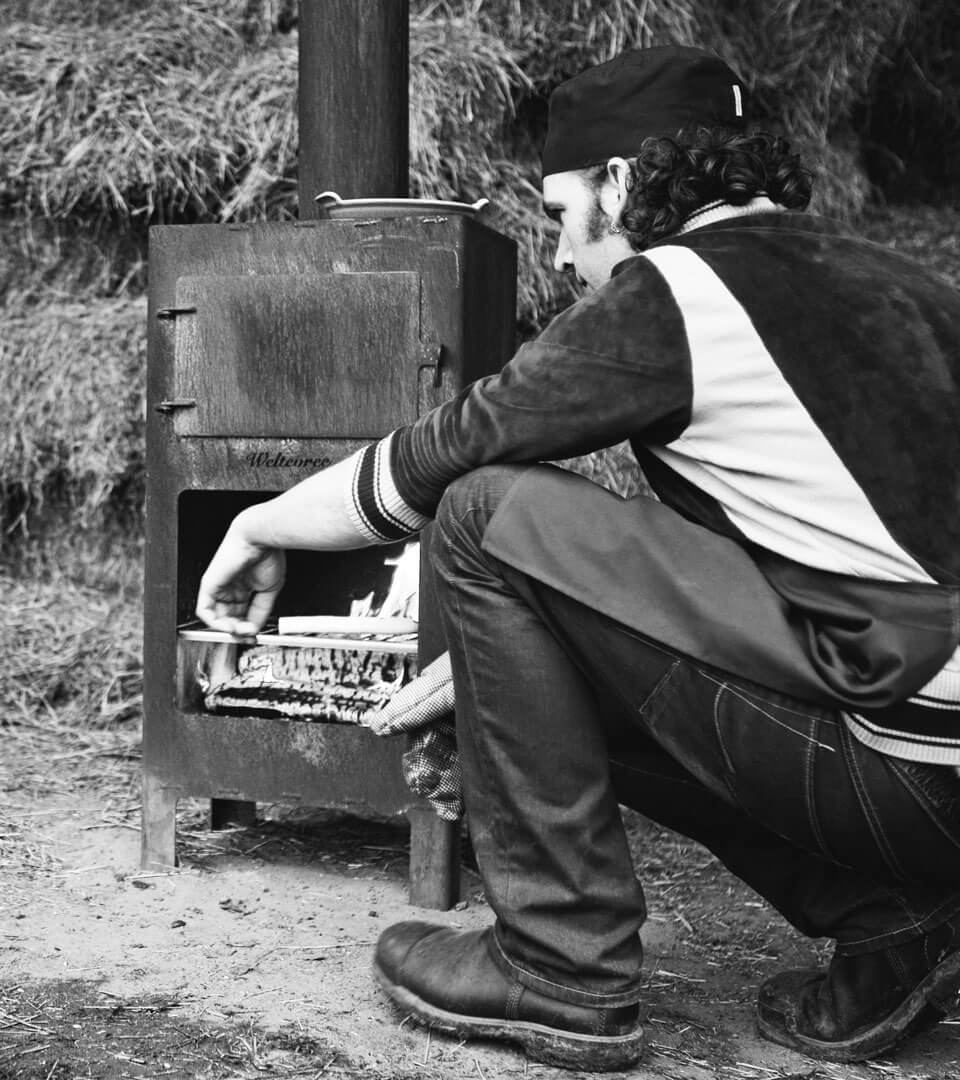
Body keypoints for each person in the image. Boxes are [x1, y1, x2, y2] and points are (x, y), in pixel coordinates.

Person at [195, 44, 960, 1072]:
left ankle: (559, 967)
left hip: (903, 770)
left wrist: (259, 526)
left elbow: (444, 454)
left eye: (560, 213)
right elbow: (776, 574)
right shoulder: (909, 285)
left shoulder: (677, 294)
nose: (559, 254)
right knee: (542, 597)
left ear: (625, 182)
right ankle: (895, 924)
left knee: (482, 512)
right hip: (924, 767)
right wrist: (494, 668)